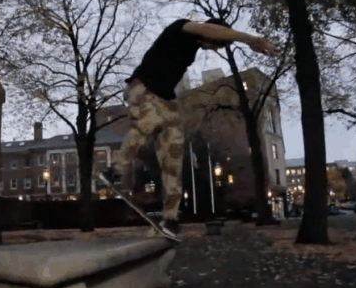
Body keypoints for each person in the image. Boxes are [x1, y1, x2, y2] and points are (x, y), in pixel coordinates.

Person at [99, 17, 277, 239]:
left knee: (173, 154)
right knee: (150, 120)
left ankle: (171, 218)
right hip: (141, 88)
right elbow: (206, 29)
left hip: (166, 101)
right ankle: (115, 170)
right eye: (217, 44)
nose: (215, 49)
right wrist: (250, 39)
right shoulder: (182, 28)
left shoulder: (193, 48)